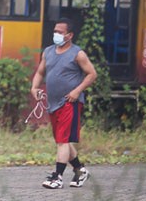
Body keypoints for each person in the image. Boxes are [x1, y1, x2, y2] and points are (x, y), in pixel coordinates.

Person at [30, 18, 97, 189]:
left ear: (70, 35)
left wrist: (77, 91)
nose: (56, 35)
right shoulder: (48, 52)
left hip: (70, 102)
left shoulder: (78, 54)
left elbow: (91, 74)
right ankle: (80, 170)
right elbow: (40, 72)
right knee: (63, 141)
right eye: (55, 31)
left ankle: (57, 177)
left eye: (60, 32)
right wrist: (34, 87)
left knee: (62, 140)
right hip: (53, 104)